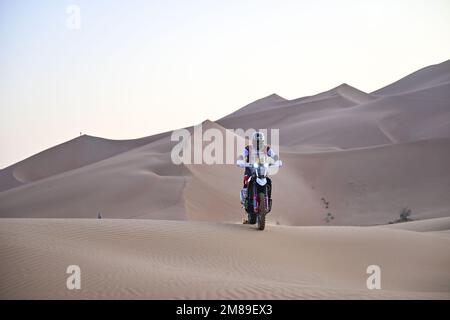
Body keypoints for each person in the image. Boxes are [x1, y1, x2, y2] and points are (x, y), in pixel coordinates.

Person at [237, 132, 278, 214]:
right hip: (250, 169)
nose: (258, 144)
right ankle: (245, 200)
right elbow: (242, 155)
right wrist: (240, 160)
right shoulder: (249, 148)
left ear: (263, 142)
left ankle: (267, 200)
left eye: (260, 142)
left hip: (262, 170)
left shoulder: (266, 148)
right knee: (247, 181)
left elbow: (274, 155)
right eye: (256, 142)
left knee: (268, 181)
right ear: (253, 142)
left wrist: (277, 160)